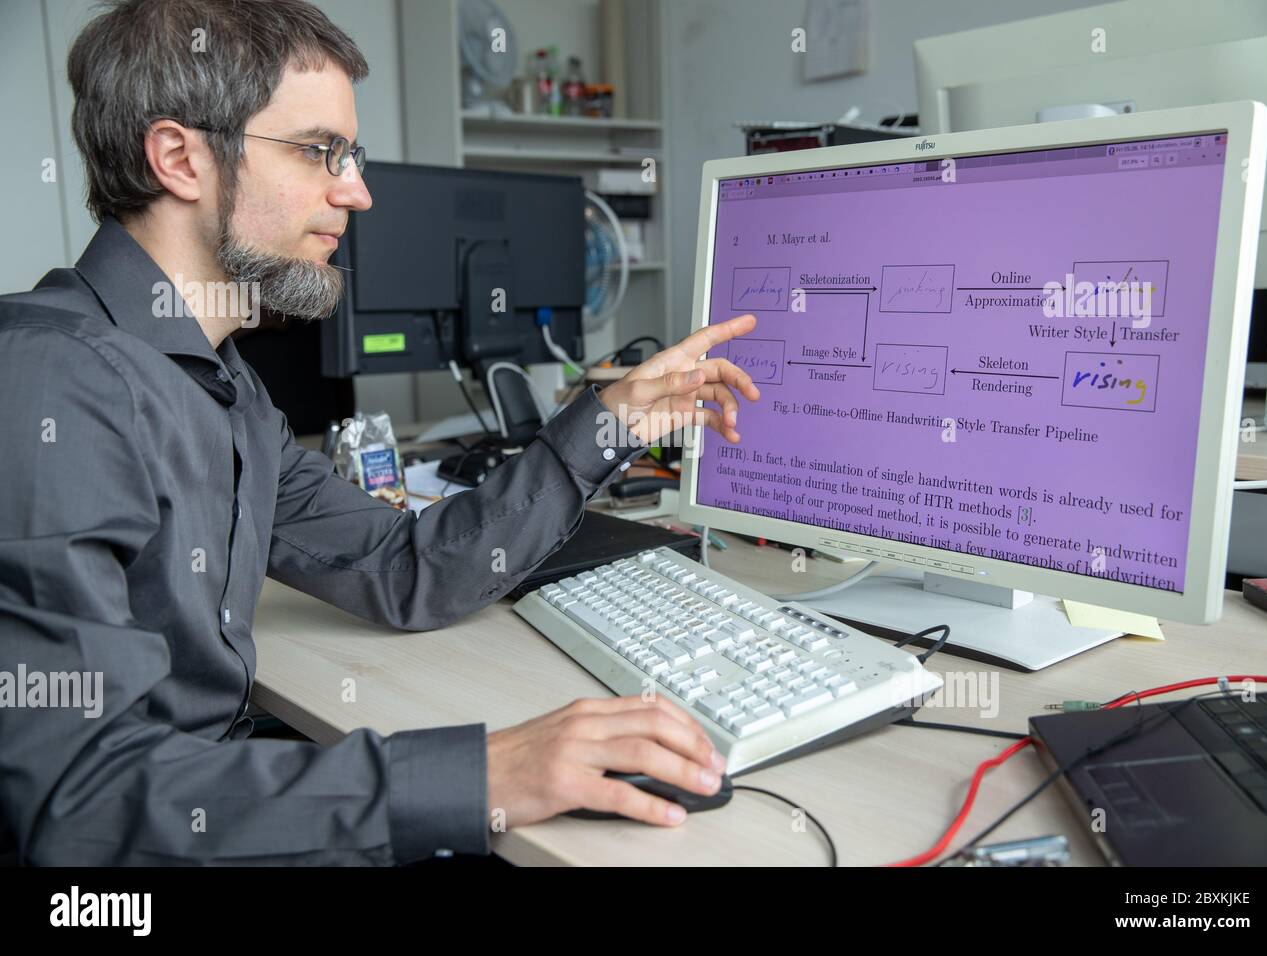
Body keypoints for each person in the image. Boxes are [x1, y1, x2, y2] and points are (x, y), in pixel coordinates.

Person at [0, 0, 760, 865]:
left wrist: (606, 423)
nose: (356, 189)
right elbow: (79, 809)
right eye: (321, 150)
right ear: (181, 158)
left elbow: (405, 569)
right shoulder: (49, 381)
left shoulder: (221, 388)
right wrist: (487, 775)